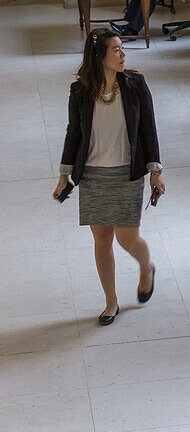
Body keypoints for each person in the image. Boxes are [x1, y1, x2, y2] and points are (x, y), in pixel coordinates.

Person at [52, 28, 165, 325]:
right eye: (116, 50)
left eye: (122, 48)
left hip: (127, 173)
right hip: (92, 174)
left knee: (128, 240)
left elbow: (148, 129)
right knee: (102, 240)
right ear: (100, 57)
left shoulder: (135, 85)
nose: (123, 54)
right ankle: (110, 302)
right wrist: (64, 176)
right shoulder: (80, 91)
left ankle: (146, 268)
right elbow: (74, 133)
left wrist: (155, 171)